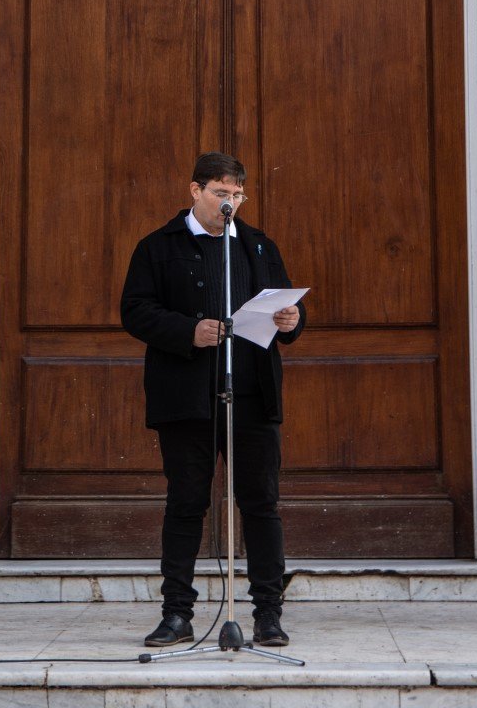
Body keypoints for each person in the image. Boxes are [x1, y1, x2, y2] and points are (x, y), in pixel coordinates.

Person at [120, 151, 306, 648]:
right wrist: (188, 331)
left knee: (261, 504)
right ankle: (177, 613)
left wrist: (292, 320)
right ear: (195, 191)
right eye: (221, 194)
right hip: (187, 398)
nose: (230, 204)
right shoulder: (158, 247)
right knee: (186, 503)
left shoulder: (258, 245)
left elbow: (285, 305)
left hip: (251, 394)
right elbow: (135, 311)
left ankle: (268, 613)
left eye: (237, 195)